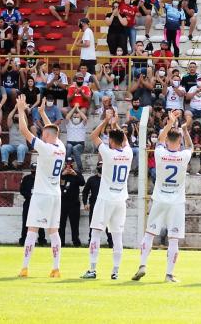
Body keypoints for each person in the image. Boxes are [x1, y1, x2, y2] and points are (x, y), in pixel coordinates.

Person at [133, 110, 193, 283]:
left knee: (150, 233)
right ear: (180, 141)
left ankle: (143, 265)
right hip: (176, 202)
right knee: (173, 239)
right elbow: (191, 147)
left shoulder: (160, 153)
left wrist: (169, 123)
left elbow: (159, 140)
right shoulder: (183, 155)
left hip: (159, 198)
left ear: (167, 140)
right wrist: (185, 130)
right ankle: (168, 274)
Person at [16, 94, 66, 278]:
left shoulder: (45, 147)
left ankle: (25, 267)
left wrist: (21, 110)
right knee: (54, 231)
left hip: (41, 194)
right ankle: (55, 268)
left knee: (32, 230)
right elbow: (53, 130)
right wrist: (43, 114)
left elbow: (23, 130)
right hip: (55, 194)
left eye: (43, 133)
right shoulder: (61, 147)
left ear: (45, 136)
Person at [80, 111, 134, 280]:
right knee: (117, 236)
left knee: (96, 233)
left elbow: (93, 135)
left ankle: (93, 269)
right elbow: (124, 139)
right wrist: (115, 124)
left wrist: (105, 120)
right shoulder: (128, 153)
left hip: (105, 199)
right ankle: (116, 271)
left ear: (110, 141)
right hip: (120, 200)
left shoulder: (108, 154)